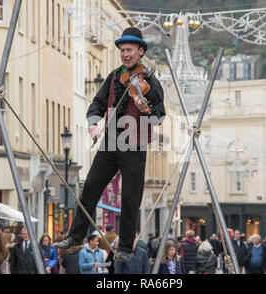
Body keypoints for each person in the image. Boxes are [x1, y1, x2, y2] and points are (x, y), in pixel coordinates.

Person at [55, 26, 165, 265]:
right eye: (122, 50)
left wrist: (146, 109)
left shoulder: (151, 82)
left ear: (140, 51)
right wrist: (94, 123)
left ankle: (125, 247)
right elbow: (97, 103)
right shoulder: (115, 76)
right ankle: (75, 235)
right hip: (110, 142)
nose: (125, 54)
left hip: (134, 145)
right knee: (91, 187)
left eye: (130, 50)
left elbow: (159, 116)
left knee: (130, 197)